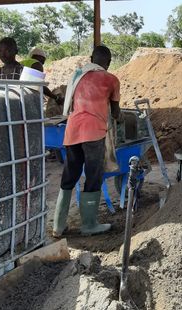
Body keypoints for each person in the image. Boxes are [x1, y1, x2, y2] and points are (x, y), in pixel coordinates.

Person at [52, 46, 121, 237]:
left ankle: (58, 226)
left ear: (91, 58)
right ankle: (89, 225)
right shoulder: (111, 79)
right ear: (108, 62)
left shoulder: (77, 75)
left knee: (70, 176)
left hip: (72, 131)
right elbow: (115, 113)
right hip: (93, 133)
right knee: (93, 176)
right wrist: (119, 117)